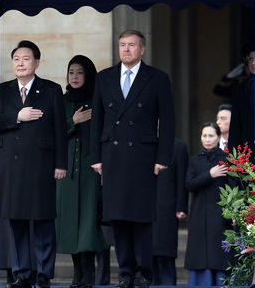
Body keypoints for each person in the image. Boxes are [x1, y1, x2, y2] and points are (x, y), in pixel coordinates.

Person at [90, 29, 176, 288]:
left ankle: (143, 272)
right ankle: (125, 272)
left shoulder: (158, 78)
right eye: (122, 45)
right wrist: (96, 156)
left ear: (142, 49)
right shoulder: (104, 78)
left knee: (141, 219)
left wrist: (163, 157)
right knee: (117, 219)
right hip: (113, 156)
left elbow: (168, 121)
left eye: (131, 45)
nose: (126, 49)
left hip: (143, 156)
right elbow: (97, 120)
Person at [0, 40, 67, 288]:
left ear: (37, 62)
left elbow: (60, 131)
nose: (20, 63)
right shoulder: (2, 90)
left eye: (26, 59)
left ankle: (43, 274)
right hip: (11, 165)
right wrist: (16, 117)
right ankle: (22, 273)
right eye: (16, 59)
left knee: (43, 221)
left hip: (41, 164)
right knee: (16, 221)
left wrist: (60, 163)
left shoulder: (51, 90)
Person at [56, 55, 108, 288]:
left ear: (88, 75)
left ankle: (88, 277)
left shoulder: (98, 100)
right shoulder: (61, 102)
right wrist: (72, 121)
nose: (75, 77)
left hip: (90, 171)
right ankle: (77, 276)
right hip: (66, 172)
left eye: (79, 72)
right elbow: (52, 135)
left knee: (88, 224)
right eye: (71, 72)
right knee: (69, 224)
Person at [184, 122, 231, 286]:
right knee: (199, 257)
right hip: (198, 215)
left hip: (219, 216)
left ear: (218, 137)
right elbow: (189, 185)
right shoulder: (194, 160)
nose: (207, 139)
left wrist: (232, 213)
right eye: (204, 135)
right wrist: (210, 174)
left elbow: (233, 188)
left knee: (218, 257)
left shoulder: (226, 160)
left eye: (211, 135)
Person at [152, 137, 188, 285]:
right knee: (148, 257)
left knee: (166, 256)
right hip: (145, 208)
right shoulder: (142, 144)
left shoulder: (178, 146)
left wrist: (181, 207)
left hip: (168, 208)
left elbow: (182, 178)